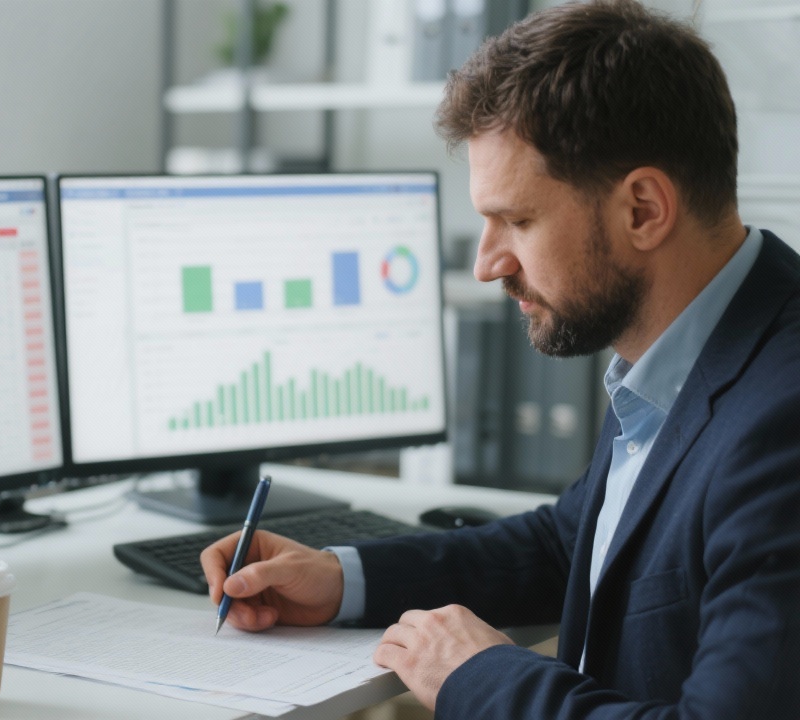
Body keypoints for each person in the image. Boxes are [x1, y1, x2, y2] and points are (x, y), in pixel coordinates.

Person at [200, 1, 800, 717]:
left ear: (642, 209)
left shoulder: (781, 421)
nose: (487, 264)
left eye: (518, 220)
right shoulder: (686, 352)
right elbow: (568, 543)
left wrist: (478, 676)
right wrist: (339, 578)